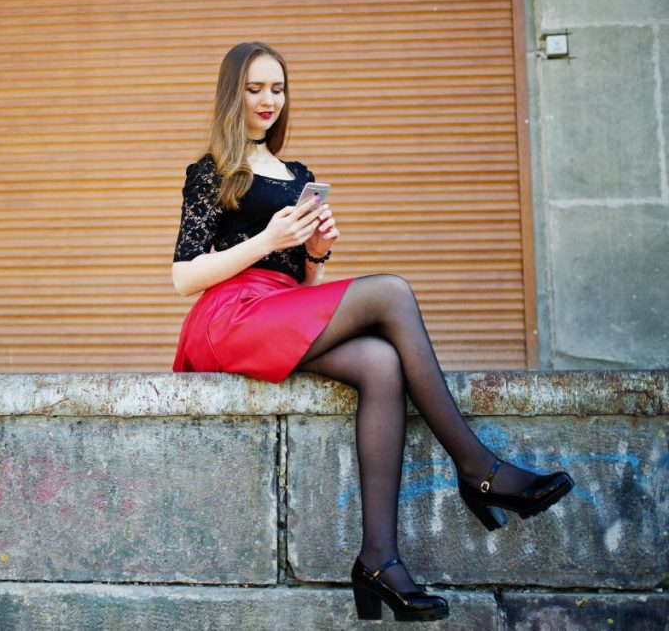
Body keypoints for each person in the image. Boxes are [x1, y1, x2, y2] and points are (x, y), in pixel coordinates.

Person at [171, 41, 574, 623]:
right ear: (231, 92)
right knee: (392, 291)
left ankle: (379, 560)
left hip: (282, 310)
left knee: (382, 363)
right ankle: (479, 470)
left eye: (277, 89)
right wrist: (265, 241)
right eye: (254, 88)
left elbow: (307, 295)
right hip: (229, 315)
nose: (267, 100)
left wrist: (315, 254)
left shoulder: (298, 175)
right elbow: (183, 277)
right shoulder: (212, 171)